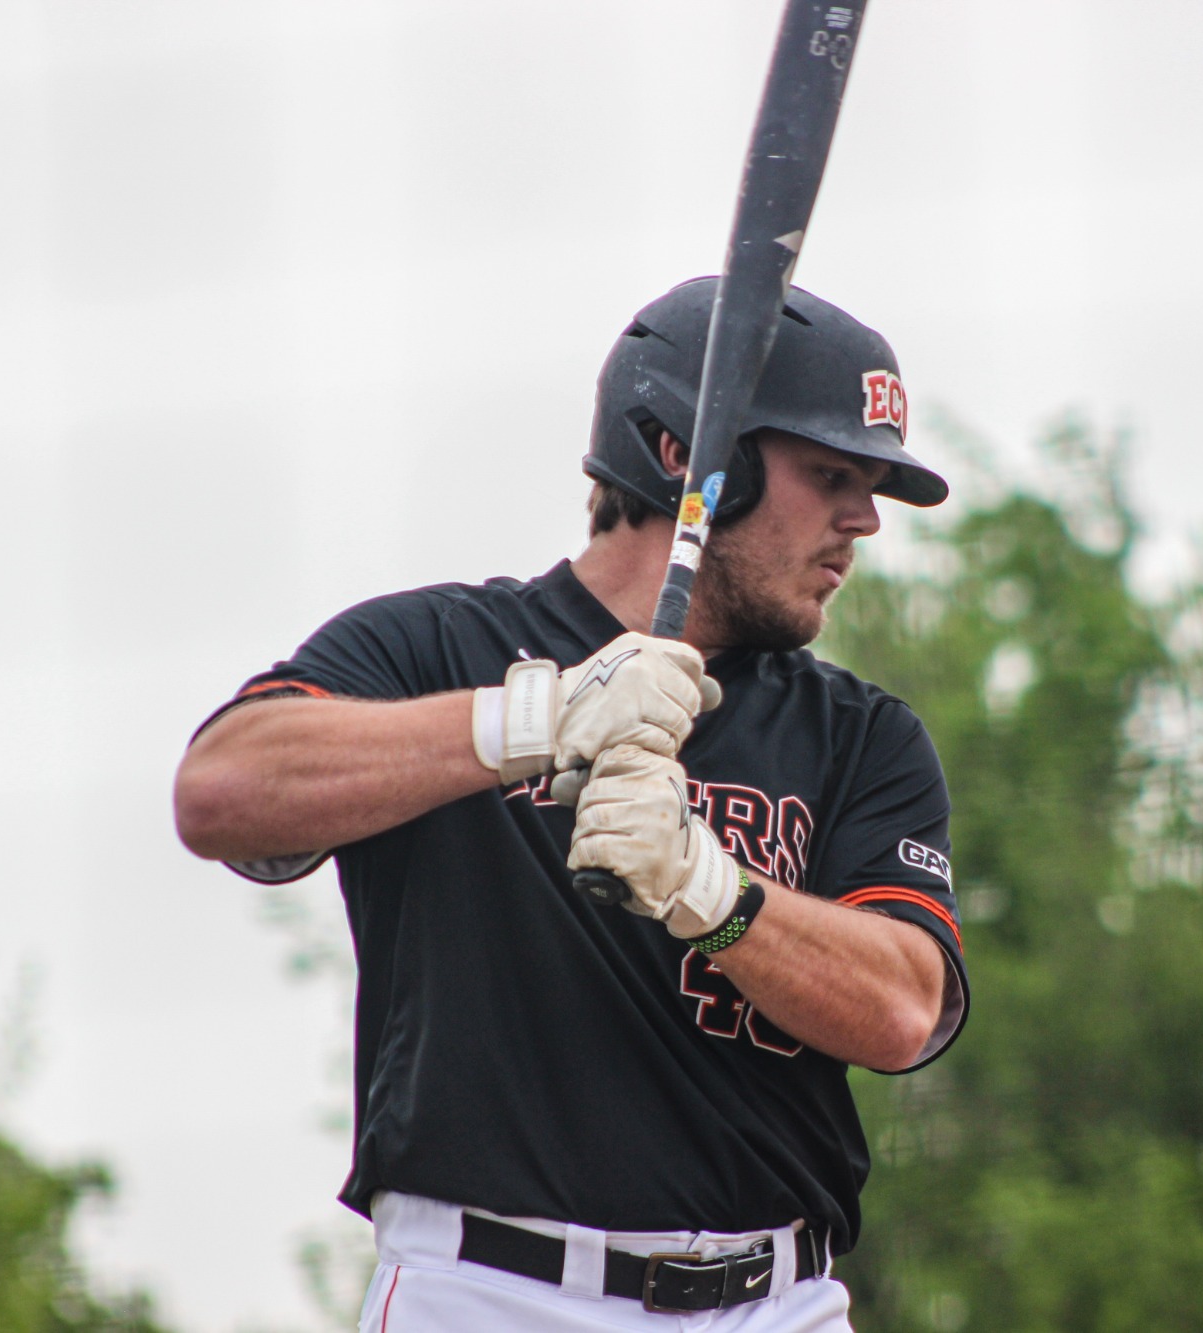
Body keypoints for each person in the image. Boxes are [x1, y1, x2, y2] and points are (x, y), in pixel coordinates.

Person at [173, 277, 967, 1332]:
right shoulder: (439, 649)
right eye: (827, 474)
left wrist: (708, 887)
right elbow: (222, 790)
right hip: (484, 1293)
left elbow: (906, 1009)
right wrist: (532, 722)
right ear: (686, 456)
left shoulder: (859, 733)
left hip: (773, 1302)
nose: (862, 520)